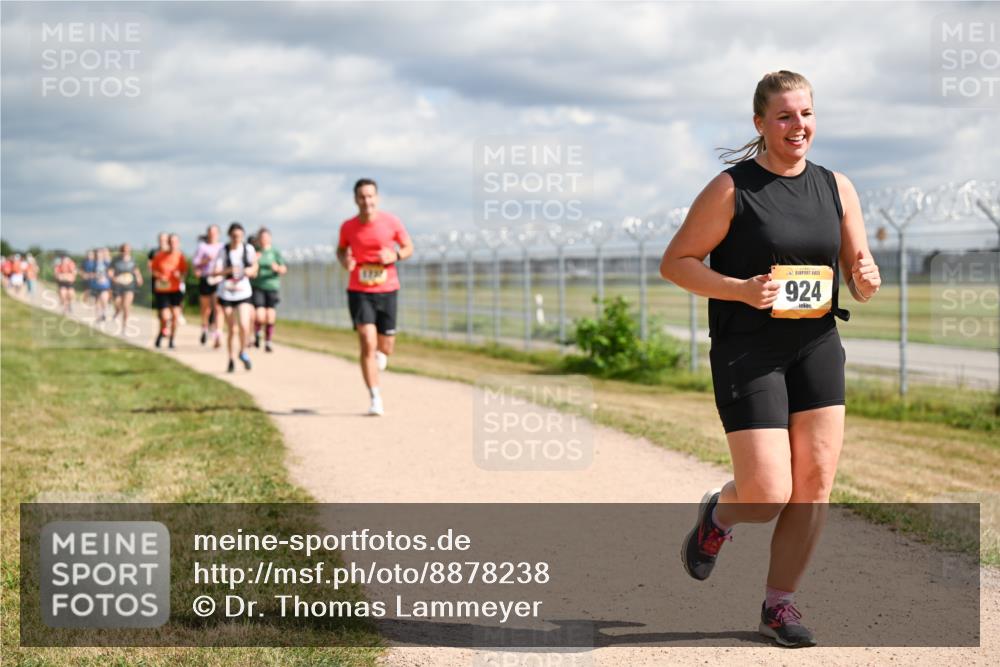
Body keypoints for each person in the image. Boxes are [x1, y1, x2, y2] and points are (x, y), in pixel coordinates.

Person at [659, 71, 881, 648]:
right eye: (784, 116)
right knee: (766, 492)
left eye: (805, 114)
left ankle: (777, 606)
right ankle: (718, 518)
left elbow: (856, 266)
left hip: (816, 345)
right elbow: (676, 262)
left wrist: (865, 275)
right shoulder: (733, 189)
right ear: (760, 124)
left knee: (815, 483)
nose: (797, 126)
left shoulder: (837, 187)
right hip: (748, 349)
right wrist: (737, 288)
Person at [336, 178, 414, 416]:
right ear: (355, 199)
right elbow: (341, 249)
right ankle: (375, 397)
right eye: (362, 196)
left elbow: (409, 247)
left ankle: (382, 354)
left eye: (370, 196)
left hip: (387, 288)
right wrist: (345, 260)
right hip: (359, 290)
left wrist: (395, 255)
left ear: (376, 198)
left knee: (386, 346)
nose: (366, 201)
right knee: (366, 341)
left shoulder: (391, 222)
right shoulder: (348, 226)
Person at [212, 222, 258, 373]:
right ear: (230, 236)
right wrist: (228, 270)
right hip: (227, 293)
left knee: (245, 325)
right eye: (234, 236)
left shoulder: (248, 249)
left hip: (243, 292)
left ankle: (242, 352)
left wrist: (248, 271)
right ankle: (231, 358)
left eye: (239, 236)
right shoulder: (223, 250)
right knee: (233, 329)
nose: (237, 239)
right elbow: (216, 271)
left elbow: (254, 268)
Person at [250, 227, 288, 353]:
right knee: (260, 315)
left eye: (266, 237)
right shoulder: (255, 252)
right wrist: (254, 260)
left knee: (270, 316)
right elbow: (250, 269)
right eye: (261, 237)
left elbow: (284, 269)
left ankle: (268, 341)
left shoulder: (275, 252)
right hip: (258, 286)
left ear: (270, 238)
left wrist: (277, 268)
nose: (264, 240)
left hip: (272, 286)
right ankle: (257, 333)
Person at [150, 233, 188, 349]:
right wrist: (159, 276)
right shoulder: (159, 256)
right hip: (162, 289)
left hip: (175, 290)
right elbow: (153, 270)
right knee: (165, 317)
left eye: (175, 242)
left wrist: (179, 275)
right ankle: (161, 333)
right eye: (171, 242)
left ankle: (172, 339)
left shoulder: (180, 257)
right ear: (168, 243)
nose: (173, 244)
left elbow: (184, 274)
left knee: (176, 316)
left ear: (178, 243)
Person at [192, 225, 224, 347]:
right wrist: (205, 261)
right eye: (211, 232)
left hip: (219, 279)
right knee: (206, 309)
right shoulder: (202, 247)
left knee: (218, 308)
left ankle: (218, 333)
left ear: (219, 234)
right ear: (208, 234)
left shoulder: (222, 247)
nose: (213, 234)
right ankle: (205, 328)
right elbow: (195, 263)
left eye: (215, 232)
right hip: (206, 278)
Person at [110, 243, 143, 333]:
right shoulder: (115, 260)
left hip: (129, 285)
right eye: (124, 250)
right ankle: (117, 311)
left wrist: (139, 278)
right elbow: (110, 271)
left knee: (126, 305)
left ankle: (124, 327)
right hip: (118, 285)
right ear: (121, 250)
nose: (125, 251)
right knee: (117, 303)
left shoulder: (133, 260)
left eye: (127, 250)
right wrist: (113, 278)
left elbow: (136, 270)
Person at [91, 247, 112, 322]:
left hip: (105, 285)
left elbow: (111, 272)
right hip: (95, 284)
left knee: (104, 299)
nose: (99, 255)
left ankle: (104, 313)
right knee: (97, 301)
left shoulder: (107, 263)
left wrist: (105, 277)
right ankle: (98, 317)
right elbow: (89, 273)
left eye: (100, 253)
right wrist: (95, 276)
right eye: (98, 253)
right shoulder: (93, 263)